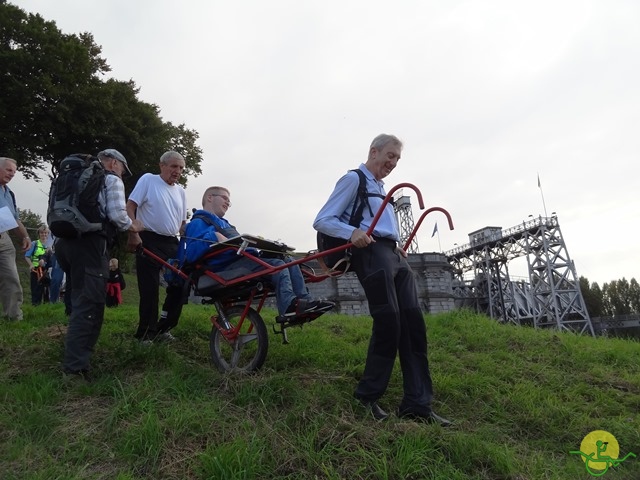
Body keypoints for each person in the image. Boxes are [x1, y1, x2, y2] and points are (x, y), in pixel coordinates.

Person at [313, 134, 452, 426]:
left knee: (413, 324)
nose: (392, 163)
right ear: (373, 151)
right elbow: (323, 219)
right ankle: (367, 397)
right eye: (389, 156)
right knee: (388, 319)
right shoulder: (354, 180)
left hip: (393, 254)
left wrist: (395, 245)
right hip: (369, 252)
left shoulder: (381, 188)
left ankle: (417, 404)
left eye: (397, 159)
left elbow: (383, 225)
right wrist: (352, 233)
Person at [55, 149, 143, 381]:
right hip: (90, 246)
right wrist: (135, 227)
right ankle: (75, 369)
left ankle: (69, 351)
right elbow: (117, 216)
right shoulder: (110, 178)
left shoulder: (72, 176)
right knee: (90, 306)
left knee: (76, 298)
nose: (122, 175)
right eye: (123, 170)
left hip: (64, 243)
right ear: (114, 163)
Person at [182, 186, 334, 319]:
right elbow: (191, 254)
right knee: (277, 265)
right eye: (224, 198)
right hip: (223, 268)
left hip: (241, 259)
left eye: (229, 200)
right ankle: (289, 306)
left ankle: (303, 300)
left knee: (288, 260)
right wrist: (213, 236)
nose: (228, 202)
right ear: (210, 198)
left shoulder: (224, 224)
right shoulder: (198, 223)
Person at [127, 151, 188, 343]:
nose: (177, 171)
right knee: (150, 288)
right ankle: (146, 334)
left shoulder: (181, 191)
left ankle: (164, 327)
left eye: (180, 168)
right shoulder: (149, 180)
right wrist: (133, 231)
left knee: (182, 283)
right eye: (173, 166)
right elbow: (130, 205)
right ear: (162, 165)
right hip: (149, 239)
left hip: (172, 242)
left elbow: (182, 221)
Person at [0, 157, 32, 321]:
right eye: (8, 170)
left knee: (11, 277)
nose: (12, 174)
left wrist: (25, 237)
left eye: (14, 171)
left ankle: (13, 317)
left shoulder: (8, 192)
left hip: (3, 239)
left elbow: (14, 220)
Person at [24, 225, 51, 305]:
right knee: (36, 290)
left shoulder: (50, 245)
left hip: (47, 271)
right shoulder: (34, 244)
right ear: (39, 234)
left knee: (46, 290)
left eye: (46, 233)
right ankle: (35, 306)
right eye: (42, 233)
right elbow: (27, 256)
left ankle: (47, 308)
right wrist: (31, 265)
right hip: (36, 270)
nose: (44, 235)